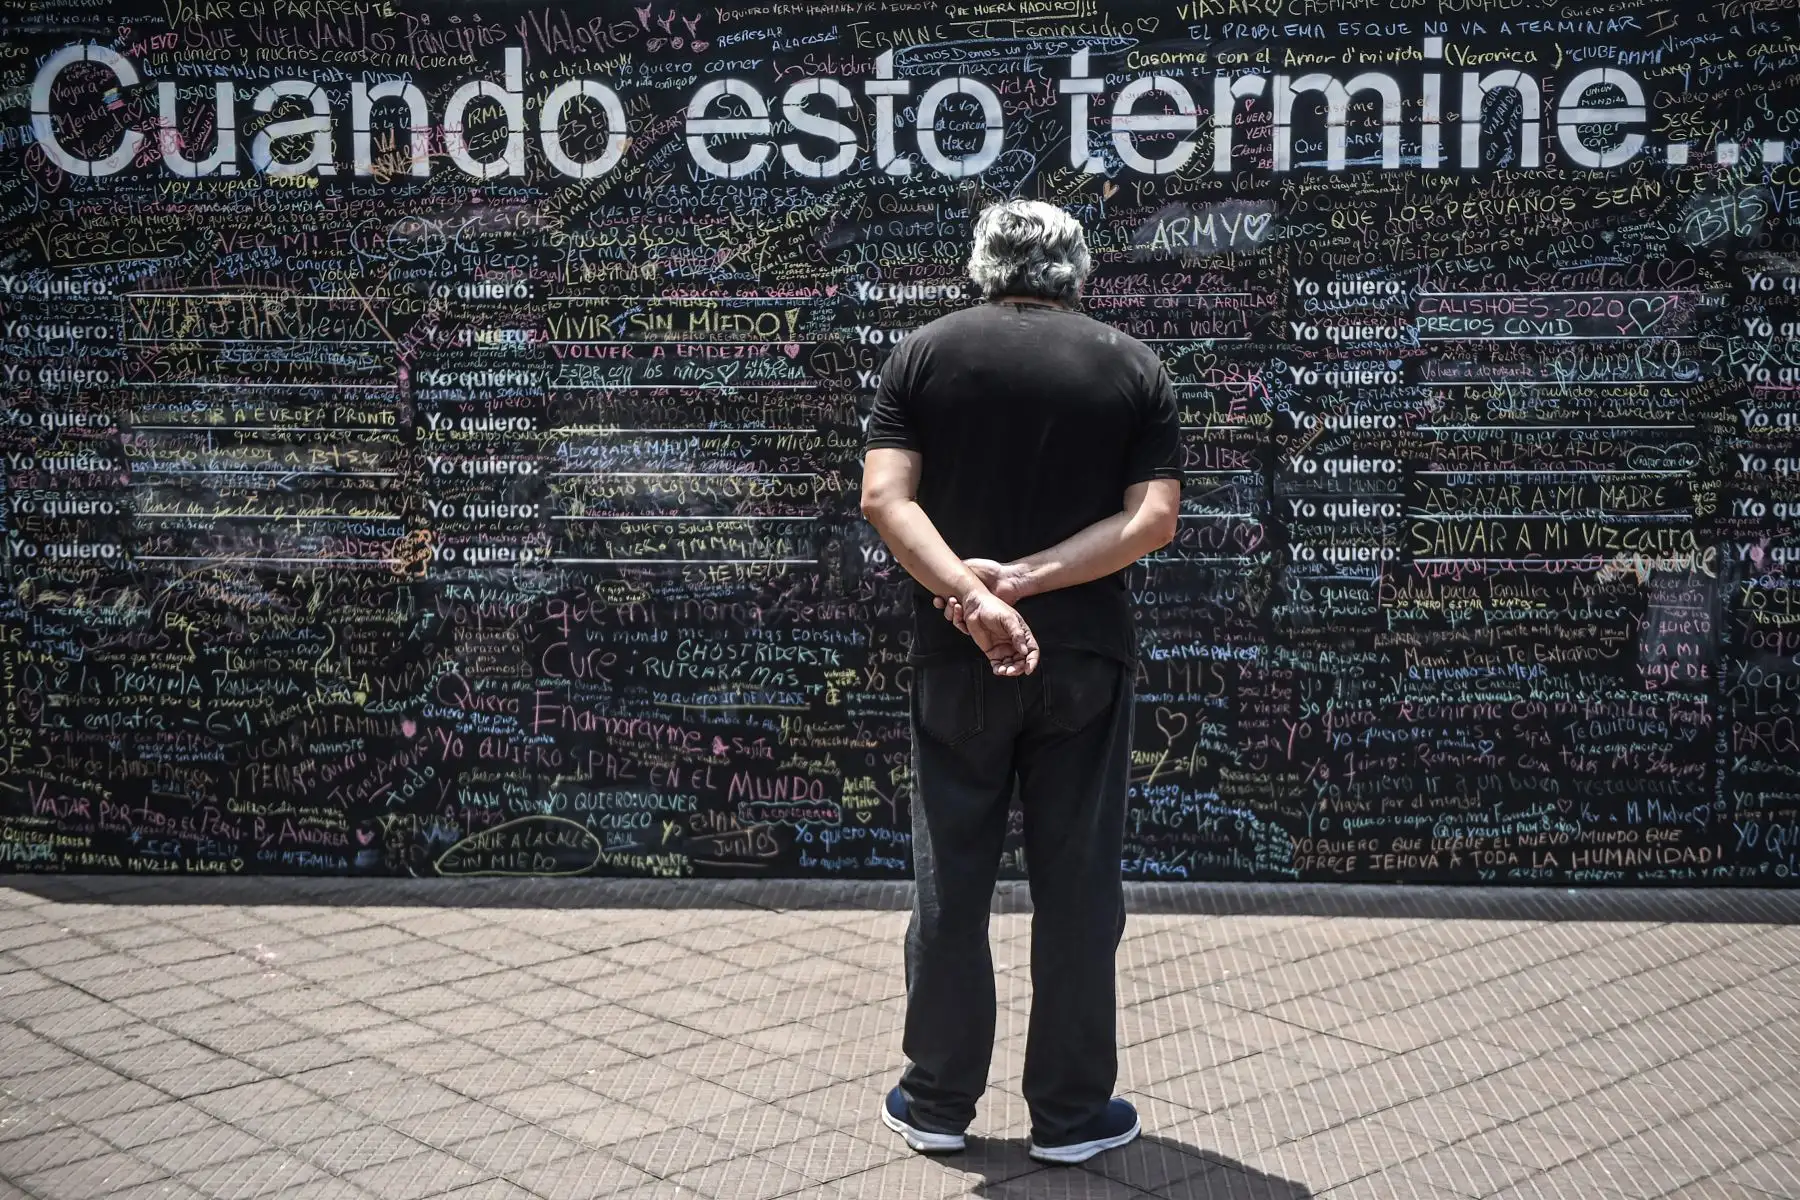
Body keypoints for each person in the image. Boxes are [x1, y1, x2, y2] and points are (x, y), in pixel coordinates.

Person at [858, 198, 1184, 1165]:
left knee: (950, 879)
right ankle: (1073, 1120)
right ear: (1077, 271)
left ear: (982, 266)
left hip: (957, 658)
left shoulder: (922, 354)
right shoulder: (1132, 365)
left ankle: (936, 1103)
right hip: (1084, 661)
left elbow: (885, 497)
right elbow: (1153, 519)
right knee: (1079, 884)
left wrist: (974, 597)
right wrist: (1031, 583)